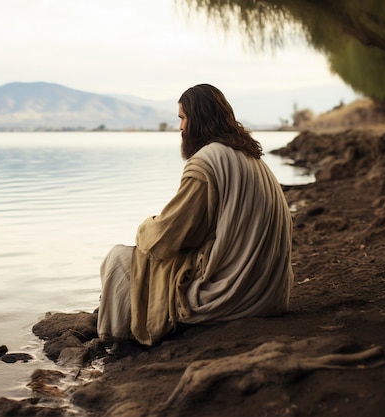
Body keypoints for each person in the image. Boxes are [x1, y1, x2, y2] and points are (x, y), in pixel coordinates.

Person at [97, 84, 294, 346]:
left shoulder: (205, 163)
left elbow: (166, 238)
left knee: (119, 259)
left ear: (198, 119)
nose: (180, 127)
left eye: (183, 118)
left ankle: (116, 342)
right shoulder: (250, 158)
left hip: (233, 293)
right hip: (270, 293)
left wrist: (146, 226)